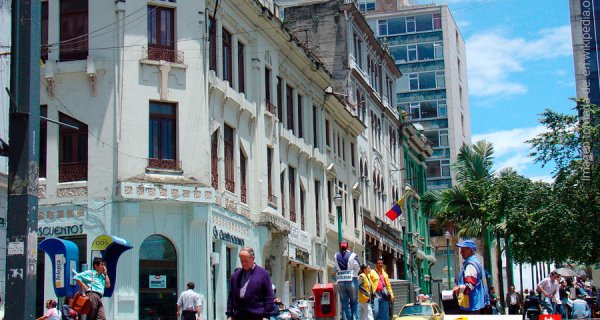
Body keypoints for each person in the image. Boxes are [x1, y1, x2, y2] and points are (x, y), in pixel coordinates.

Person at [226, 247, 275, 320]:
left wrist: (266, 315)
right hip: (238, 316)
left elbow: (269, 296)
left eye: (246, 261)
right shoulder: (235, 275)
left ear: (253, 258)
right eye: (242, 261)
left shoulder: (263, 274)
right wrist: (229, 314)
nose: (244, 263)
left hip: (257, 316)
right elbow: (231, 296)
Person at [452, 239, 485, 314]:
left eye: (463, 250)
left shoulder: (470, 265)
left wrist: (458, 288)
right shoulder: (476, 262)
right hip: (474, 304)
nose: (460, 253)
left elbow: (470, 285)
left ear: (470, 250)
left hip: (471, 305)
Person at [335, 240, 360, 320]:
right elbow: (357, 267)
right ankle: (355, 318)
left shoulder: (336, 255)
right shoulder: (353, 255)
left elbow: (335, 267)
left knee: (344, 304)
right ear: (348, 246)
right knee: (354, 302)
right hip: (351, 280)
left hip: (341, 281)